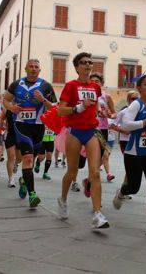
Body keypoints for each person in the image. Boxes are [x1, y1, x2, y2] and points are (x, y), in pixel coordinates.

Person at [56, 52, 109, 229]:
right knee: (72, 172)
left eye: (90, 62)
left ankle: (97, 213)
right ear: (77, 67)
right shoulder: (70, 86)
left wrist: (100, 111)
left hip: (91, 131)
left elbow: (95, 105)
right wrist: (78, 107)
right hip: (74, 132)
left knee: (95, 173)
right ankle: (62, 200)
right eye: (84, 62)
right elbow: (61, 110)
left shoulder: (96, 87)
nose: (88, 65)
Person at [112, 74, 146, 237]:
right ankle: (121, 192)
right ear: (140, 88)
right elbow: (126, 125)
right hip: (134, 153)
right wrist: (145, 122)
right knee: (133, 188)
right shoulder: (136, 104)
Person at [3, 59, 56, 208]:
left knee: (31, 160)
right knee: (27, 158)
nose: (33, 69)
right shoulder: (16, 84)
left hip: (39, 127)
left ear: (40, 70)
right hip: (21, 126)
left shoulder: (46, 86)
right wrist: (11, 107)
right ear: (25, 68)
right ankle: (32, 195)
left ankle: (24, 181)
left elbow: (54, 107)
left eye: (36, 67)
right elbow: (6, 100)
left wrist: (43, 99)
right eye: (31, 66)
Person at [90, 73, 116, 182]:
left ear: (101, 83)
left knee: (100, 154)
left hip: (103, 128)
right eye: (92, 81)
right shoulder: (85, 95)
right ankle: (92, 177)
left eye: (97, 81)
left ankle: (92, 178)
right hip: (90, 127)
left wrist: (108, 115)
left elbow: (114, 114)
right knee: (92, 154)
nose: (94, 83)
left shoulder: (106, 97)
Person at [4, 109, 20, 188]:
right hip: (11, 135)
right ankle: (11, 179)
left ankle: (16, 164)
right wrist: (1, 124)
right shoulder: (8, 110)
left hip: (21, 135)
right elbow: (1, 119)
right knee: (11, 156)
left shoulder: (24, 107)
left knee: (19, 158)